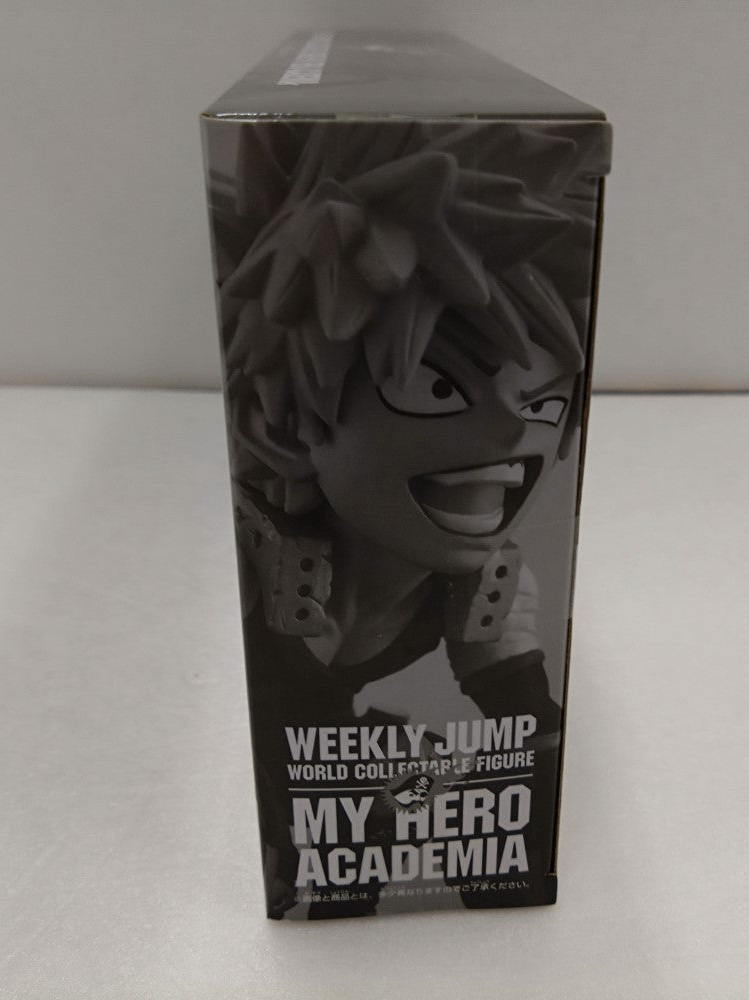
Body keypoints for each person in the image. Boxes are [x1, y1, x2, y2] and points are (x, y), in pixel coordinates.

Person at [208, 119, 605, 916]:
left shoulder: (477, 602)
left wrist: (512, 685)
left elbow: (512, 838)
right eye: (436, 388)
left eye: (542, 403)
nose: (510, 435)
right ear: (280, 429)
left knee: (412, 803)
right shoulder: (259, 575)